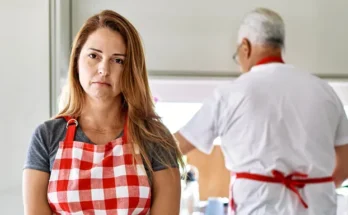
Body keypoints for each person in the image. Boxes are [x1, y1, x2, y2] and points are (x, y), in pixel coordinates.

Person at [174, 7, 348, 215]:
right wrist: (315, 187)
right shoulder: (325, 91)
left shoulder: (231, 94)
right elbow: (344, 164)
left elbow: (175, 146)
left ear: (245, 47)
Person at [23, 10, 183, 215]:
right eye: (93, 56)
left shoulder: (155, 138)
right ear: (76, 62)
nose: (103, 69)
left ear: (131, 70)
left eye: (118, 60)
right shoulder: (47, 136)